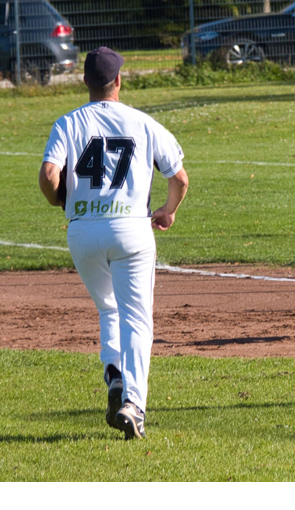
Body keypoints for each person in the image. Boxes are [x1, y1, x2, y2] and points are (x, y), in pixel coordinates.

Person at [39, 47, 189, 438]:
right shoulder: (142, 122)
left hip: (83, 231)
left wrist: (60, 201)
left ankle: (115, 377)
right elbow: (180, 178)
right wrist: (168, 211)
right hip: (131, 229)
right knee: (137, 317)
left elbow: (49, 174)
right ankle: (133, 403)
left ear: (85, 82)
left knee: (108, 308)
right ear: (119, 81)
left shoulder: (68, 122)